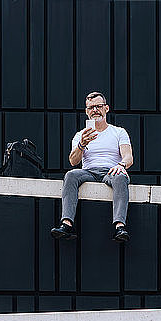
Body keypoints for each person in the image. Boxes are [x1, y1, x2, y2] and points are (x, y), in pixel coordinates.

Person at [51, 91, 133, 242]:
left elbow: (128, 157)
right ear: (86, 111)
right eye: (91, 107)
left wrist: (121, 165)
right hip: (88, 172)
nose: (95, 110)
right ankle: (66, 224)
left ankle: (120, 226)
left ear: (106, 108)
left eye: (98, 106)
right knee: (70, 175)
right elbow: (73, 161)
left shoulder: (118, 132)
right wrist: (82, 144)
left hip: (111, 170)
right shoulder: (80, 135)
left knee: (121, 177)